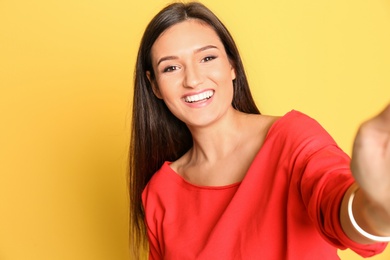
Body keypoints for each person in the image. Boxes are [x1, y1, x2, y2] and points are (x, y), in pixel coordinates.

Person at [129, 2, 390, 259]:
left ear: (232, 66)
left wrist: (377, 209)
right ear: (154, 86)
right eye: (171, 68)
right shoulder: (160, 193)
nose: (193, 79)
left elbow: (337, 203)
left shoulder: (291, 138)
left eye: (207, 58)